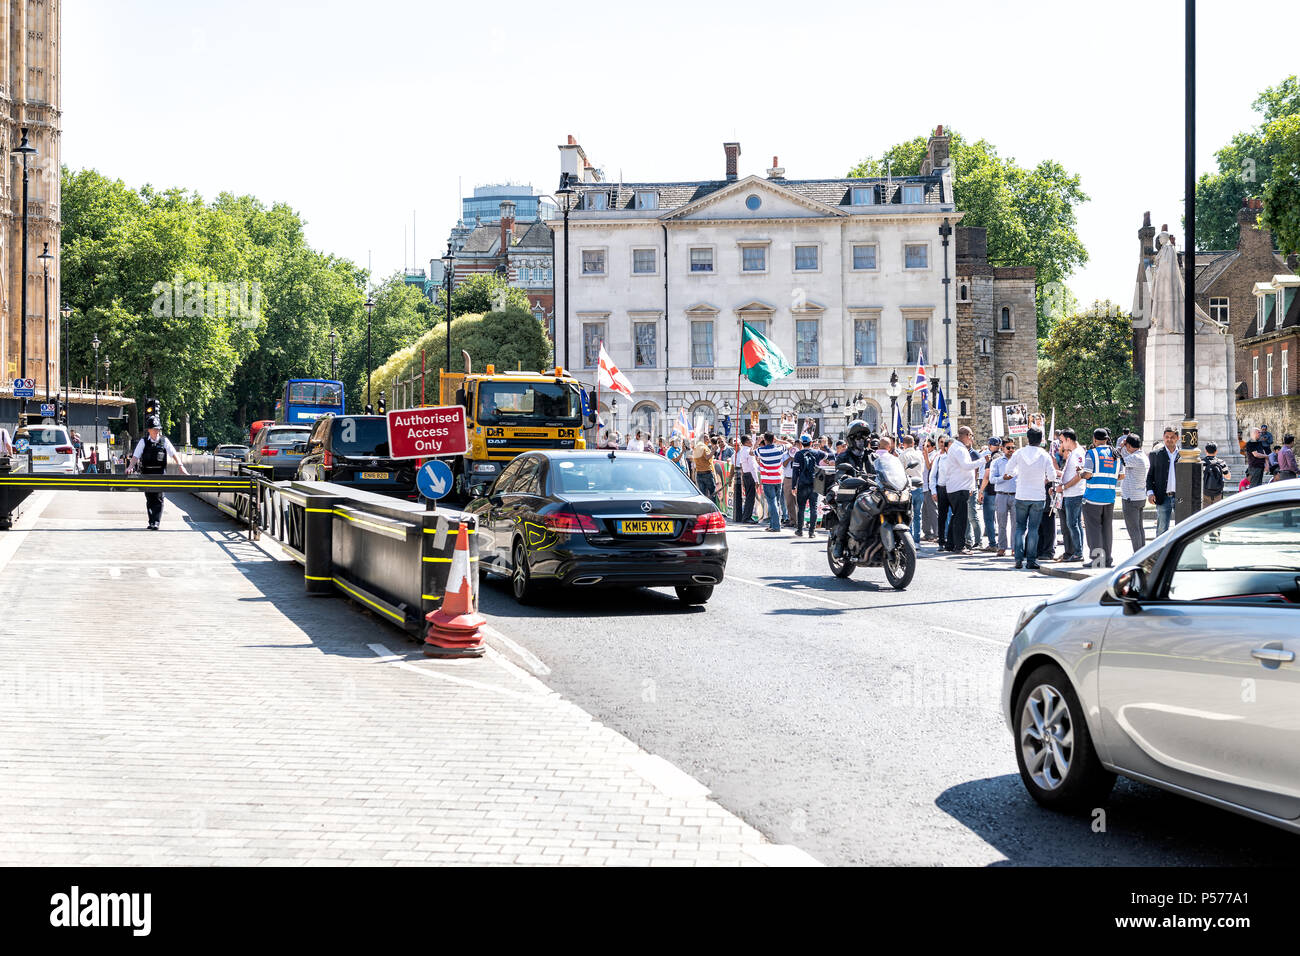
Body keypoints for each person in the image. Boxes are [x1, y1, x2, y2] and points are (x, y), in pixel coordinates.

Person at [1001, 427, 1056, 570]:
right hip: (1038, 495)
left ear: (1027, 438)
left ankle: (1018, 558)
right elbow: (1052, 476)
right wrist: (1043, 479)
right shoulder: (1044, 455)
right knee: (1033, 529)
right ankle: (1031, 560)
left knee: (1020, 528)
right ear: (1041, 439)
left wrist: (1018, 473)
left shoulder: (1019, 453)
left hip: (1021, 494)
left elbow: (1008, 471)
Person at [130, 415, 189, 530]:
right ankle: (151, 521)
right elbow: (135, 456)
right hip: (146, 472)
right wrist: (130, 466)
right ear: (149, 430)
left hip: (160, 472)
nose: (157, 431)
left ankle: (156, 522)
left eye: (158, 429)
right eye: (154, 429)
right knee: (150, 497)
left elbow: (173, 454)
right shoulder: (143, 441)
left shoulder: (164, 440)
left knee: (159, 497)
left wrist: (181, 465)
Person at [1078, 428, 1120, 569]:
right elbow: (1121, 476)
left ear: (1094, 440)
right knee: (1106, 529)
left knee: (1093, 530)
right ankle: (1107, 559)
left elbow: (1088, 474)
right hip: (1110, 497)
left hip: (1093, 497)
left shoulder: (1092, 453)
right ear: (1107, 439)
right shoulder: (1116, 454)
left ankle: (1097, 560)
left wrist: (1080, 473)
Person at [944, 426, 980, 555]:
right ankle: (960, 546)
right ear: (966, 435)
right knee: (961, 519)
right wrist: (982, 461)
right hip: (959, 488)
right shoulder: (959, 448)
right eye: (970, 435)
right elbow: (966, 466)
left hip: (959, 487)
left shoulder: (958, 447)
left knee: (956, 517)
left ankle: (950, 543)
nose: (971, 438)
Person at [1055, 429, 1086, 562]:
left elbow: (1080, 475)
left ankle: (1078, 553)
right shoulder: (1074, 452)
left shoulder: (1078, 453)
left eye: (1062, 441)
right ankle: (1077, 552)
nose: (1061, 445)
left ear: (1068, 440)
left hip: (1074, 493)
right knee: (1075, 524)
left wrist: (1064, 487)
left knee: (1073, 524)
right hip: (1071, 493)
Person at [1146, 427, 1180, 536]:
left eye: (1172, 437)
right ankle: (1160, 552)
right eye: (1167, 437)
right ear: (1163, 438)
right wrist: (1150, 493)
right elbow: (1150, 476)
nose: (1169, 439)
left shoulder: (1184, 455)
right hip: (1163, 497)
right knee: (1162, 530)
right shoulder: (1155, 454)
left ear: (1177, 438)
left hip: (1180, 497)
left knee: (1182, 529)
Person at [791, 434, 827, 537]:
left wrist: (794, 486)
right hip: (815, 483)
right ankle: (811, 532)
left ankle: (800, 530)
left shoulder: (798, 454)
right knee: (813, 508)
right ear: (811, 443)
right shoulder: (817, 452)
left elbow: (795, 472)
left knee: (801, 508)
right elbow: (826, 455)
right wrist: (818, 446)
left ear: (801, 444)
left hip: (802, 483)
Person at [1117, 434, 1148, 552]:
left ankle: (1138, 556)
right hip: (1139, 496)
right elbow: (1125, 458)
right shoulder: (1142, 456)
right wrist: (1124, 448)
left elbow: (1118, 461)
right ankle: (1143, 554)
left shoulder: (1135, 458)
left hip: (1131, 498)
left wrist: (1120, 447)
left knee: (1133, 530)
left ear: (1129, 445)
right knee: (1139, 528)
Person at [987, 438, 1016, 556]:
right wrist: (1003, 478)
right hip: (1001, 495)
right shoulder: (997, 462)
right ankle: (1002, 547)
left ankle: (1015, 547)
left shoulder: (1017, 461)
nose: (1011, 450)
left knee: (1016, 523)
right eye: (1008, 448)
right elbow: (992, 479)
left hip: (1015, 495)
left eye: (1013, 448)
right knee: (1001, 523)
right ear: (1002, 448)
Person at [755, 432, 787, 532]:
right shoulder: (779, 448)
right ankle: (773, 524)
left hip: (768, 480)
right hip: (778, 479)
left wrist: (757, 441)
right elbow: (790, 444)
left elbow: (751, 452)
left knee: (772, 503)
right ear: (773, 439)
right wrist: (778, 441)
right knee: (776, 502)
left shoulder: (761, 450)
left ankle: (776, 526)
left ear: (765, 440)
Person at [898, 435, 925, 543]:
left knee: (908, 515)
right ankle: (917, 539)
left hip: (907, 488)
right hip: (919, 486)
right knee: (918, 515)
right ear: (913, 443)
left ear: (903, 444)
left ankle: (910, 540)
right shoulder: (919, 455)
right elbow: (922, 470)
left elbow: (900, 472)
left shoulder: (903, 456)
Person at [977, 437, 1000, 552]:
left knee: (989, 519)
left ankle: (993, 544)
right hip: (1002, 492)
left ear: (990, 446)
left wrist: (980, 491)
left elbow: (986, 476)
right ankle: (1002, 544)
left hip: (990, 491)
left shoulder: (990, 459)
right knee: (1002, 521)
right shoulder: (1004, 457)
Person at [931, 435, 951, 550]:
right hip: (942, 489)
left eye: (945, 443)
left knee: (953, 516)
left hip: (953, 489)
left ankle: (951, 540)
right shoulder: (938, 458)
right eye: (941, 442)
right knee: (942, 516)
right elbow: (933, 476)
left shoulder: (954, 459)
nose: (943, 445)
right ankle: (941, 541)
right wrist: (934, 491)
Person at [733, 435, 758, 524]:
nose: (752, 441)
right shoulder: (748, 451)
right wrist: (756, 480)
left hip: (746, 475)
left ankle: (746, 516)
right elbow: (752, 467)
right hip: (750, 475)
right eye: (750, 440)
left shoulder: (743, 450)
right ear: (746, 442)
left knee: (748, 497)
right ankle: (747, 517)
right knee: (750, 498)